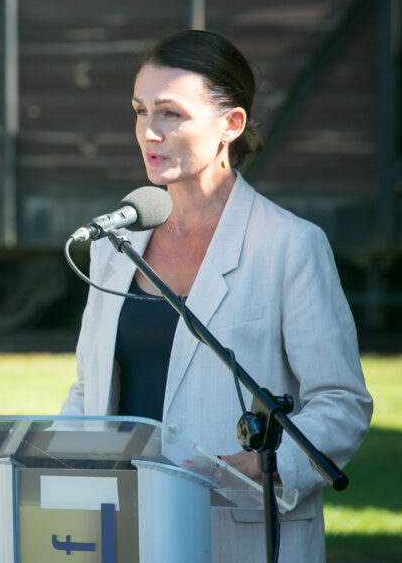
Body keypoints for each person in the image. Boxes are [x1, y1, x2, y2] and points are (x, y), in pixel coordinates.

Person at [59, 29, 372, 562]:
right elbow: (91, 390)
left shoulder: (289, 245)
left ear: (232, 124)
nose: (148, 133)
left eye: (170, 114)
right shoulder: (116, 245)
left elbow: (341, 403)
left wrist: (251, 465)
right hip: (119, 532)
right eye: (140, 111)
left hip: (240, 535)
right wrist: (32, 460)